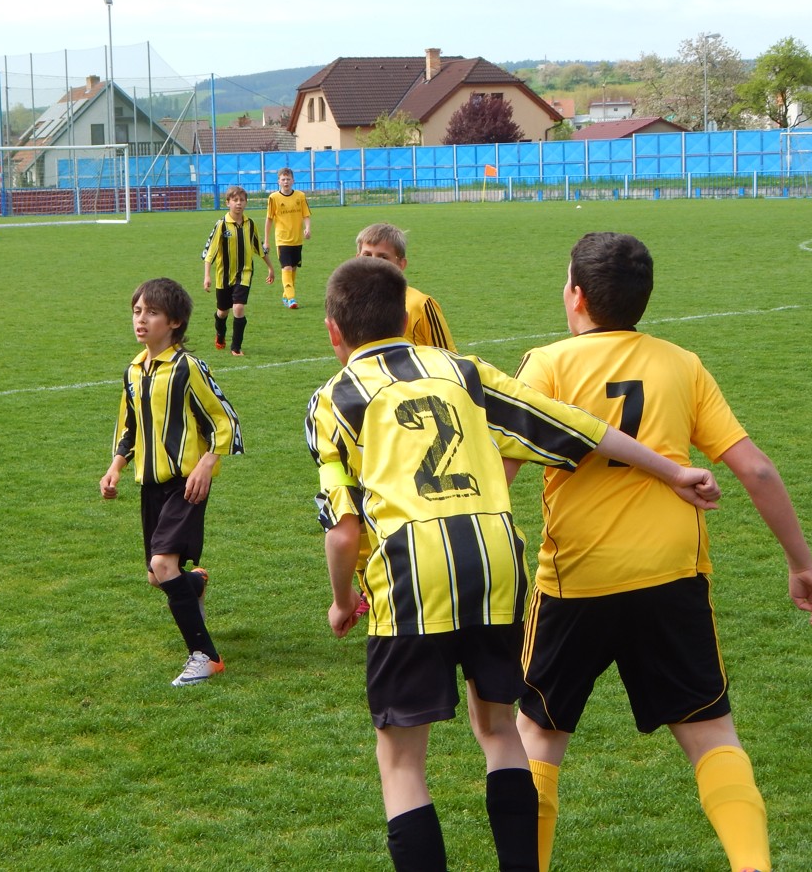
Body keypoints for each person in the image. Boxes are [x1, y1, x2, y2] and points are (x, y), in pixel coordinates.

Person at [305, 257, 721, 872]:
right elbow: (577, 426)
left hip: (410, 571)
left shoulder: (333, 400)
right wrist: (673, 470)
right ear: (404, 317)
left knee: (401, 762)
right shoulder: (464, 371)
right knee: (500, 732)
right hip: (496, 561)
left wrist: (343, 601)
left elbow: (343, 533)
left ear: (333, 331)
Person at [507, 232, 812, 872]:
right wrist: (801, 564)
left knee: (537, 739)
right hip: (672, 575)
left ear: (576, 295)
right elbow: (756, 469)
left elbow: (500, 473)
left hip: (577, 580)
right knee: (711, 735)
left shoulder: (546, 365)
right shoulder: (682, 363)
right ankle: (753, 865)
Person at [99, 277, 244, 686]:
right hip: (151, 483)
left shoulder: (187, 368)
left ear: (175, 322)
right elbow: (129, 426)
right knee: (157, 573)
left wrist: (207, 462)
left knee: (164, 565)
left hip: (186, 483)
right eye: (137, 311)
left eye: (152, 313)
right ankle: (194, 583)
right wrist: (115, 466)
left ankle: (205, 656)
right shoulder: (134, 371)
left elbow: (225, 420)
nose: (141, 320)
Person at [355, 222, 457, 351]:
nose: (373, 262)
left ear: (401, 264)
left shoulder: (421, 305)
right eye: (367, 255)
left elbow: (447, 356)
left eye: (383, 257)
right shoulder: (351, 303)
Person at [202, 185, 274, 357]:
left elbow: (259, 248)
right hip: (224, 276)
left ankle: (236, 347)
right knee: (222, 312)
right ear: (228, 203)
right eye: (235, 200)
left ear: (246, 202)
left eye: (242, 200)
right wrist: (207, 276)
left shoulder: (250, 224)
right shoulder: (221, 225)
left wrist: (270, 267)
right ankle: (220, 334)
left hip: (244, 273)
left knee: (239, 308)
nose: (239, 203)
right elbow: (210, 252)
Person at [264, 167, 311, 309]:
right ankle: (291, 299)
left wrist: (307, 228)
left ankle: (286, 296)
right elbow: (269, 219)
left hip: (297, 239)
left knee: (293, 269)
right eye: (283, 179)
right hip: (282, 240)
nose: (286, 182)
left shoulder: (300, 196)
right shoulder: (273, 198)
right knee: (287, 268)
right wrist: (266, 241)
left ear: (293, 181)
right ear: (278, 181)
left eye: (288, 179)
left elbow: (306, 215)